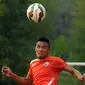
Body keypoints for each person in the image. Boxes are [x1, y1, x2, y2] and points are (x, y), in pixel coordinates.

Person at [1, 37, 85, 85]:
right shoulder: (33, 63)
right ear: (35, 48)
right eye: (38, 46)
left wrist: (80, 77)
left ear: (49, 50)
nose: (40, 49)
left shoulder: (56, 60)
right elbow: (28, 82)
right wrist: (12, 75)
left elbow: (73, 70)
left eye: (43, 47)